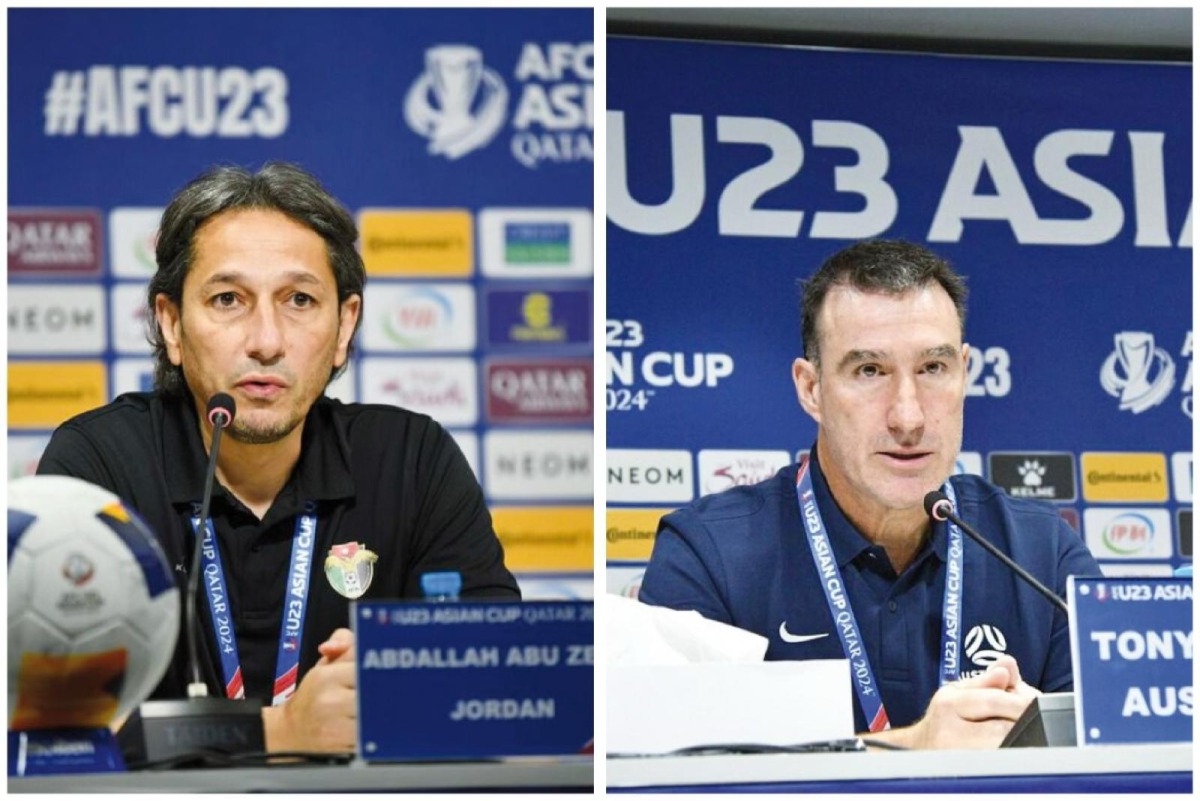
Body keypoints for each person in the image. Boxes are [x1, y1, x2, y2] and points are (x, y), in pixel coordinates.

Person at [37, 161, 520, 753]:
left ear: (344, 325)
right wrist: (283, 730)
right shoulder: (100, 465)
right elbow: (53, 723)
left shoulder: (411, 460)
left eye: (298, 299)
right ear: (171, 324)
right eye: (227, 299)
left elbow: (501, 682)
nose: (266, 340)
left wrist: (397, 680)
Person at [638, 239, 1100, 749]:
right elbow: (677, 773)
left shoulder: (1043, 555)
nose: (909, 417)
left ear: (964, 372)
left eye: (932, 368)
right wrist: (912, 749)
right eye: (869, 371)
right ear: (810, 389)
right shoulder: (708, 555)